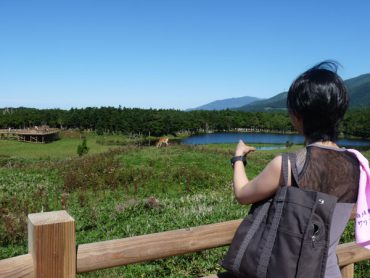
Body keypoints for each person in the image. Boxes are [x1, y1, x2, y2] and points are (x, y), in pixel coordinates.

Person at [232, 61, 359, 277]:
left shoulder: (288, 164)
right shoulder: (358, 164)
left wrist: (238, 158)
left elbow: (243, 194)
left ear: (296, 116)